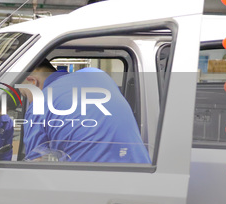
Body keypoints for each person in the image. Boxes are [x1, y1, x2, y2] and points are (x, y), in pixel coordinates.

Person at [21, 60, 150, 163]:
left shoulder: (39, 104)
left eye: (26, 94)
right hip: (142, 173)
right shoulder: (97, 74)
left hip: (93, 184)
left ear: (33, 81)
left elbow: (35, 165)